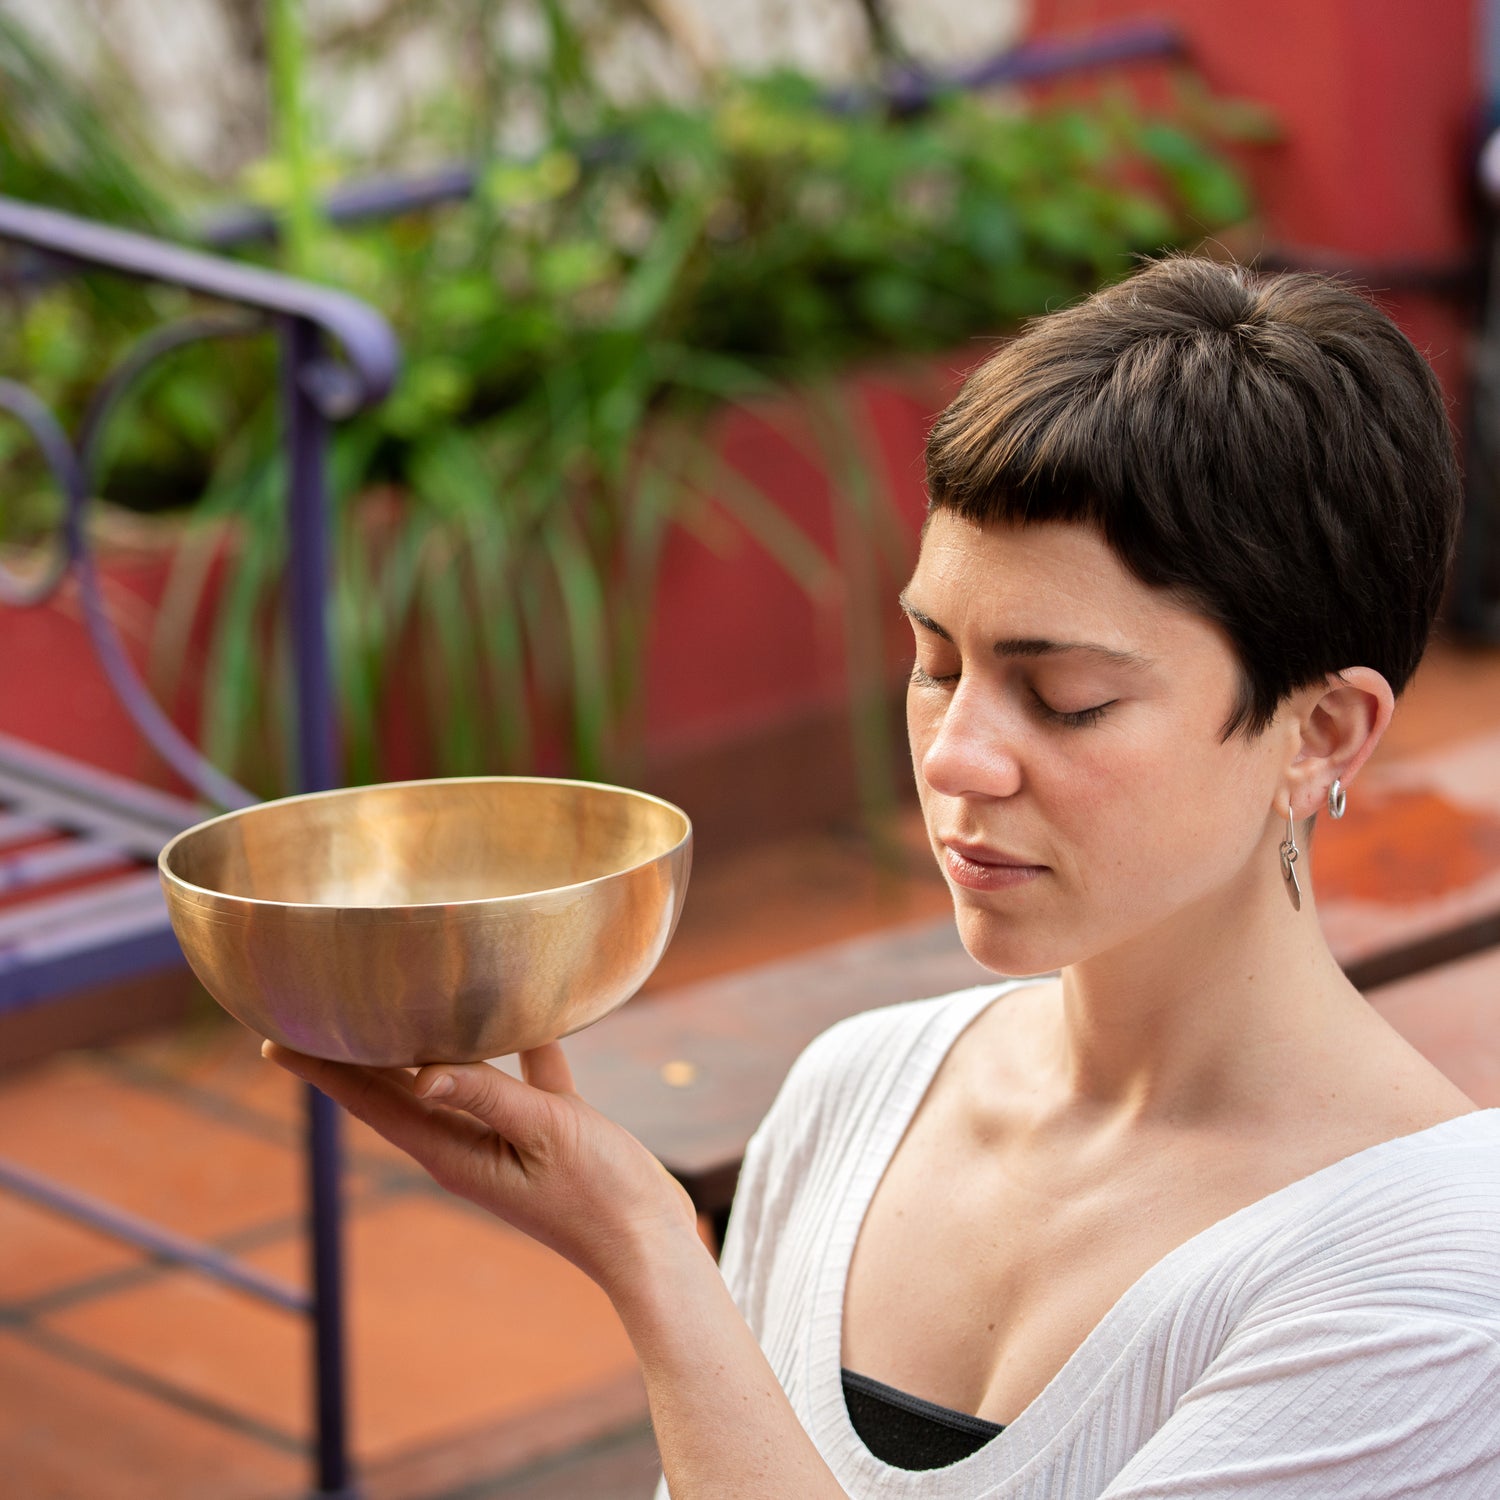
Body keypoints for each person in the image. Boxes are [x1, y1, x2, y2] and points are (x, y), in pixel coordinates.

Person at [266, 255, 1500, 1497]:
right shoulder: (858, 1093)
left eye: (1066, 700)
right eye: (936, 663)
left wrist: (650, 1256)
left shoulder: (1437, 1287)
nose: (958, 756)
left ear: (1323, 733)